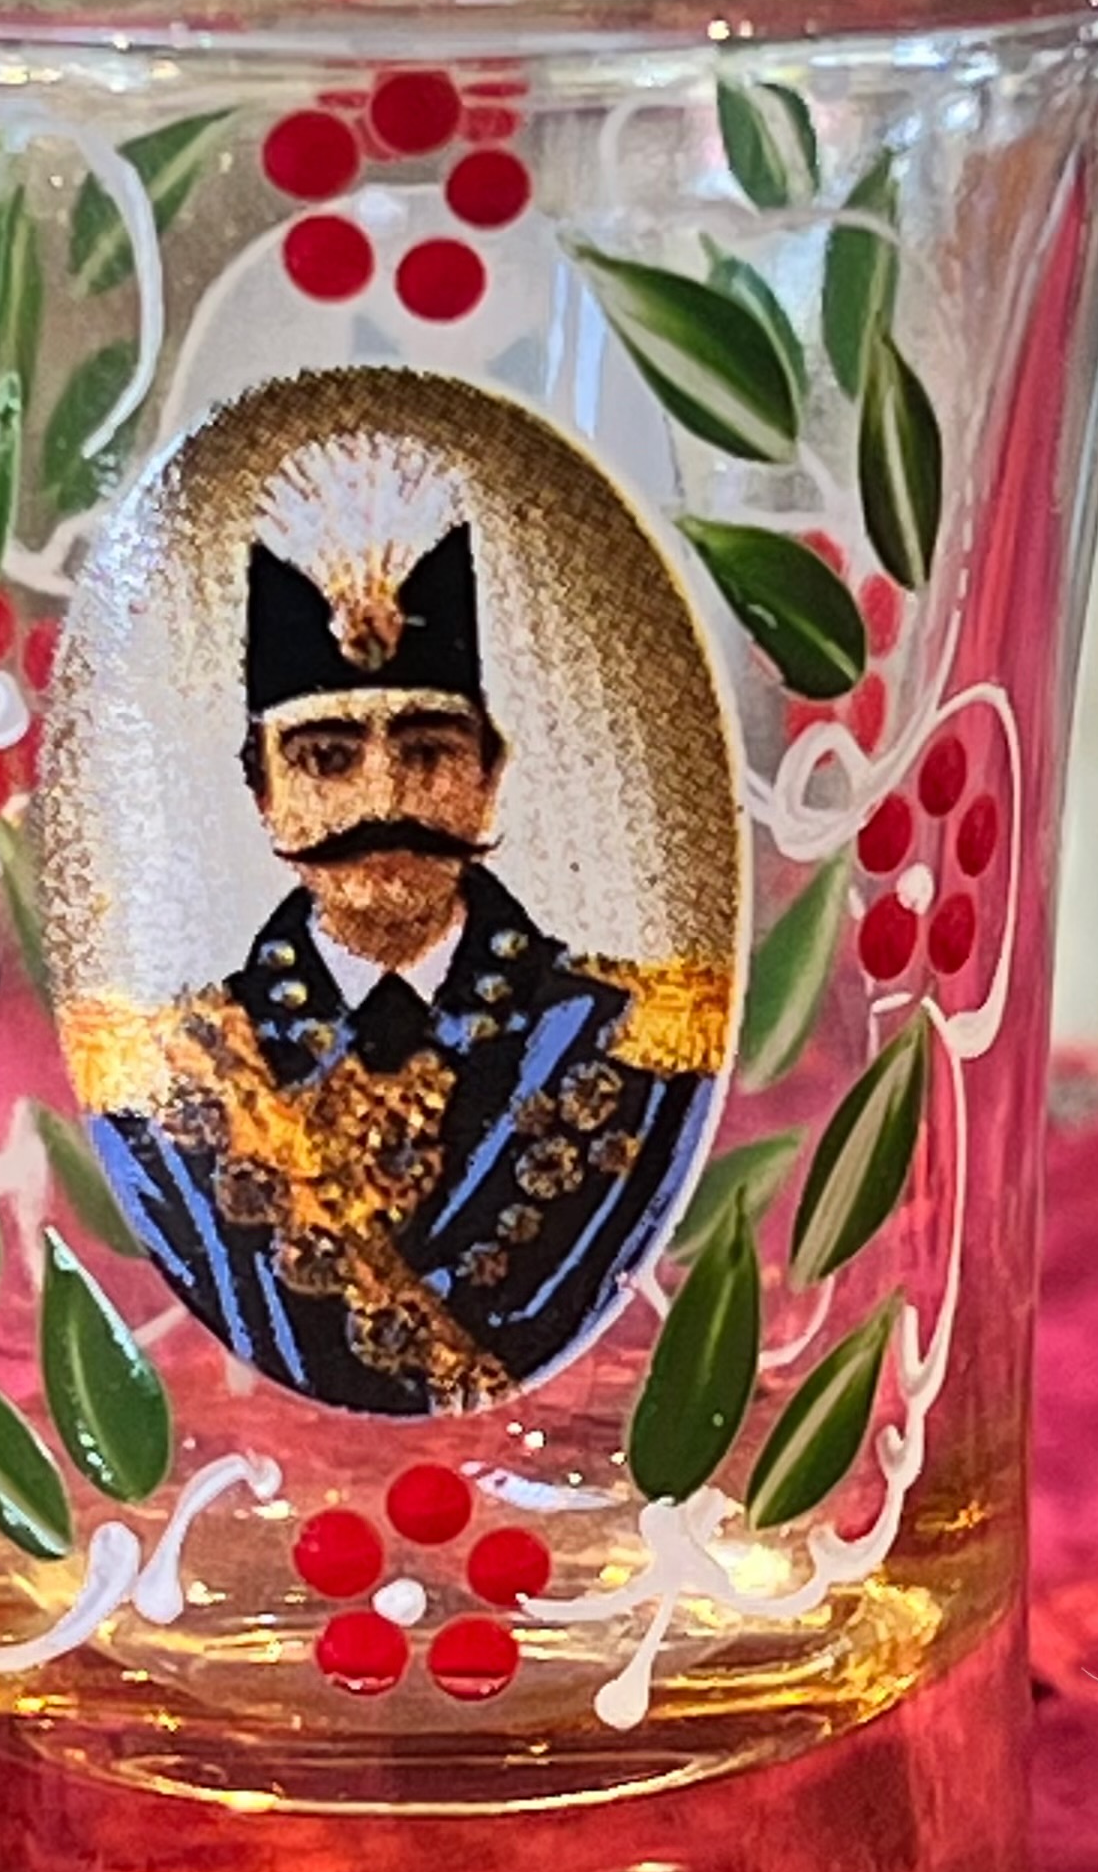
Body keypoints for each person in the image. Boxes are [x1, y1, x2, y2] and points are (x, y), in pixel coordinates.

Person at [88, 435, 718, 1415]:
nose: (383, 799)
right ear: (262, 794)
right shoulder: (172, 1070)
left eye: (427, 751)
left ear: (488, 777)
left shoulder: (637, 1047)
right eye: (326, 757)